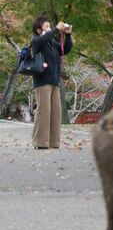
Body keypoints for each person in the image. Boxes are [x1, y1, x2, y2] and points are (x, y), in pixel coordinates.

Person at [30, 16, 73, 149]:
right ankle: (40, 142)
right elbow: (43, 39)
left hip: (54, 80)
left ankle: (54, 142)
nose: (50, 29)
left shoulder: (51, 42)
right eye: (46, 26)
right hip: (42, 80)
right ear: (38, 30)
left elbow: (64, 50)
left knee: (56, 112)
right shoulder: (37, 40)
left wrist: (68, 35)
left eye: (50, 26)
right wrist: (55, 29)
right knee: (44, 111)